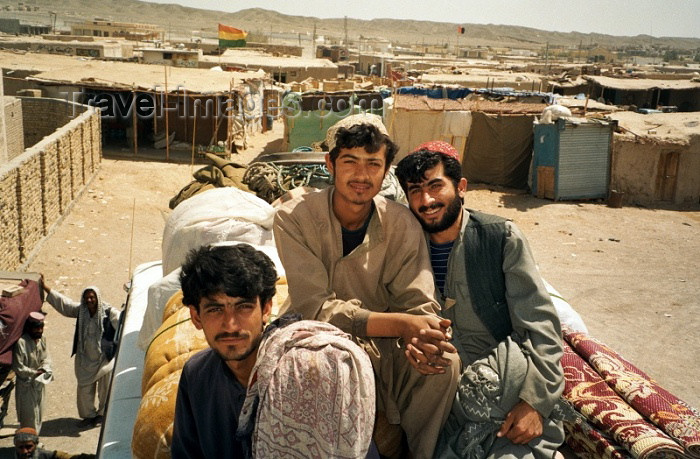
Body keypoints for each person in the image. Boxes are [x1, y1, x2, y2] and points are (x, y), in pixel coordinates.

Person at [273, 114, 460, 459]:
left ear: (386, 169)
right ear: (330, 163)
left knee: (442, 363)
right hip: (315, 341)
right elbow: (314, 307)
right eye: (350, 162)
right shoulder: (294, 216)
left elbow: (417, 302)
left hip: (386, 347)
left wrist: (422, 335)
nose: (361, 175)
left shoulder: (402, 223)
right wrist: (403, 325)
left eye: (373, 163)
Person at [395, 141, 566, 458]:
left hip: (501, 392)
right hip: (438, 400)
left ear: (460, 187)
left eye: (435, 186)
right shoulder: (402, 247)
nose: (427, 200)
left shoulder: (499, 238)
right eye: (415, 191)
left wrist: (535, 403)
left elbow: (541, 328)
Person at [172, 243, 376, 458]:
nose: (230, 325)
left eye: (243, 307)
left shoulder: (307, 373)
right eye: (215, 309)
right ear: (196, 316)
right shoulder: (197, 376)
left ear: (266, 309)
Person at [40, 278, 119, 427]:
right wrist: (46, 288)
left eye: (92, 297)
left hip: (104, 359)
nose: (89, 300)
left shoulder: (109, 313)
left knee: (105, 389)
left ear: (98, 298)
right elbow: (65, 305)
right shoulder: (81, 311)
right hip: (85, 359)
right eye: (87, 297)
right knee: (84, 389)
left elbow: (123, 325)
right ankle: (88, 415)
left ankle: (102, 414)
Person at [12, 311, 53, 433]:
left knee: (39, 413)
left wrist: (45, 369)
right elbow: (18, 367)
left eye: (41, 328)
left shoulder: (42, 340)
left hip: (39, 383)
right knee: (28, 417)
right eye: (36, 328)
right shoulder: (21, 343)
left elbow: (46, 358)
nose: (39, 331)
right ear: (29, 328)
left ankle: (35, 441)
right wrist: (34, 373)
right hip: (26, 385)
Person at [13, 426, 96, 459]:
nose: (24, 451)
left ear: (36, 444)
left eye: (28, 447)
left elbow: (70, 458)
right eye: (20, 447)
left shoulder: (45, 455)